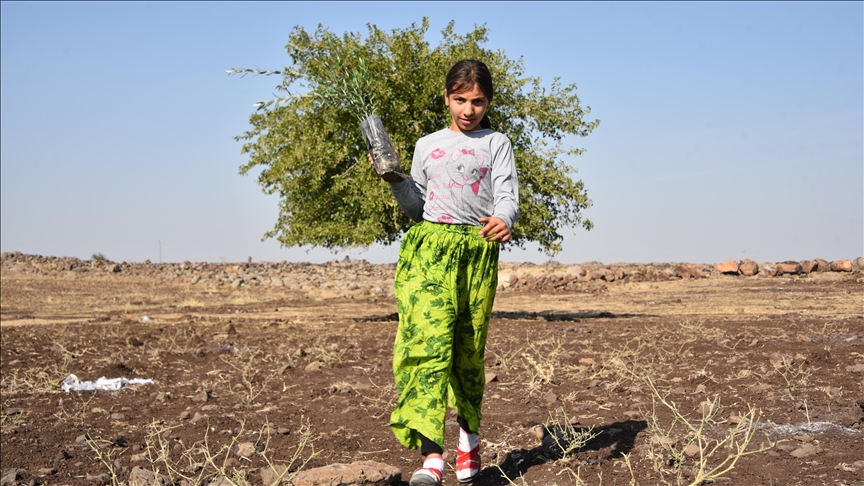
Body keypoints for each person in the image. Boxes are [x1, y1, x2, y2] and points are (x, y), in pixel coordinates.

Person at [369, 59, 519, 486]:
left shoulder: (496, 143)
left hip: (475, 253)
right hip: (429, 251)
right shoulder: (427, 144)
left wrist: (504, 218)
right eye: (460, 100)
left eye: (478, 102)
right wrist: (395, 179)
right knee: (425, 347)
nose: (469, 110)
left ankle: (469, 438)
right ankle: (432, 457)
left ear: (488, 102)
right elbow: (418, 208)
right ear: (446, 97)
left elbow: (507, 195)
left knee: (467, 351)